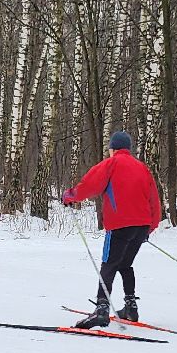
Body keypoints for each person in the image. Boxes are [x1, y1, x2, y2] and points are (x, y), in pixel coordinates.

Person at [61, 131, 161, 328]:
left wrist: (70, 196)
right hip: (141, 226)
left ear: (113, 148)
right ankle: (131, 308)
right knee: (125, 264)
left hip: (119, 225)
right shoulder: (142, 168)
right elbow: (154, 199)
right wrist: (151, 227)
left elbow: (90, 185)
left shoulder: (111, 164)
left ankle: (101, 309)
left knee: (109, 265)